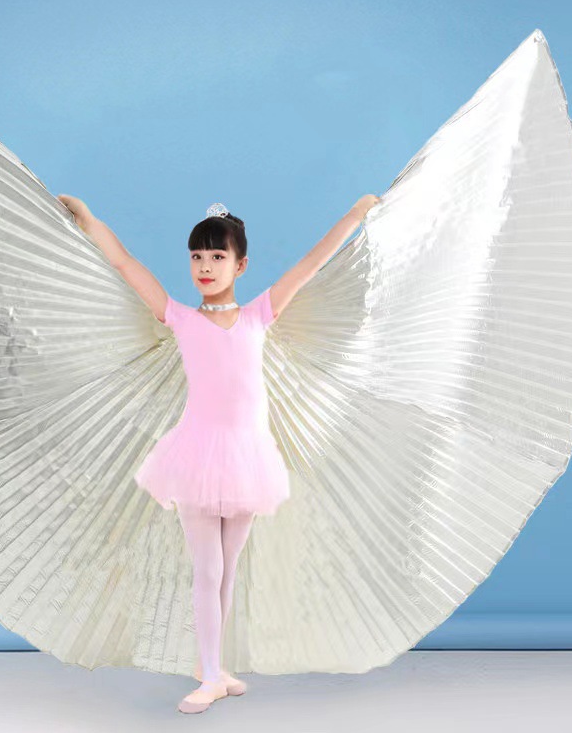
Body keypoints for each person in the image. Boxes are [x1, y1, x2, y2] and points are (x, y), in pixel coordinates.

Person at [56, 194, 380, 713]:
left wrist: (354, 216)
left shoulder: (258, 315)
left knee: (228, 571)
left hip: (249, 458)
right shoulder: (180, 318)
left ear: (240, 264)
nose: (205, 267)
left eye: (217, 256)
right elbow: (125, 264)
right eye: (196, 256)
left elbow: (310, 264)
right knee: (207, 570)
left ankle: (214, 667)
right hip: (197, 457)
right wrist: (91, 221)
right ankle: (209, 675)